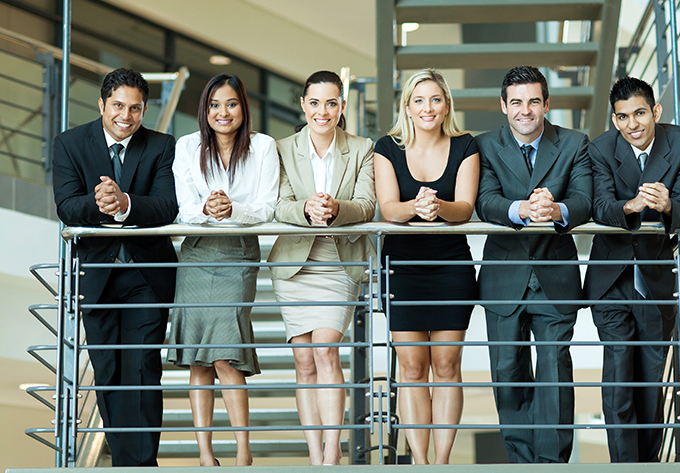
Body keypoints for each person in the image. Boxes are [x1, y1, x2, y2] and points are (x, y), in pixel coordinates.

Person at [52, 68, 177, 466]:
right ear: (102, 104)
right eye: (118, 106)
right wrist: (102, 202)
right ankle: (125, 463)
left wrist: (125, 203)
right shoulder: (70, 143)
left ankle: (142, 465)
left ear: (144, 110)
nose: (126, 116)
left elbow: (166, 206)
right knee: (107, 371)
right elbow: (67, 206)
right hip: (97, 275)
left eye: (135, 108)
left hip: (146, 275)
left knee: (141, 368)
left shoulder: (162, 146)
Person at [474, 65, 592, 463]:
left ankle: (552, 464)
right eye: (517, 102)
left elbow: (583, 199)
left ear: (546, 103)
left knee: (555, 369)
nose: (525, 110)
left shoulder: (574, 143)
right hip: (503, 277)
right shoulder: (484, 146)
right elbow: (485, 201)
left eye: (534, 101)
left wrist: (555, 209)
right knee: (507, 371)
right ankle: (522, 464)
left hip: (555, 274)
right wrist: (522, 209)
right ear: (503, 105)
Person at [585, 76, 680, 463]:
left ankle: (648, 467)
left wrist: (667, 205)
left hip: (655, 279)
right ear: (614, 120)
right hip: (611, 279)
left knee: (651, 382)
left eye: (640, 113)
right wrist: (632, 206)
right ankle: (623, 467)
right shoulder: (600, 149)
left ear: (656, 111)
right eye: (623, 117)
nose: (632, 124)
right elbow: (600, 206)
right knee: (619, 377)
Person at [167, 73, 279, 466]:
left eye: (231, 103)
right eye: (214, 105)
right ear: (205, 110)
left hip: (238, 253)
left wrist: (233, 209)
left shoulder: (263, 146)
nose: (223, 112)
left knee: (226, 356)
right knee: (199, 359)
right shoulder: (187, 146)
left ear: (243, 107)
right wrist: (207, 209)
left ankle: (243, 454)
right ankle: (205, 456)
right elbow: (184, 208)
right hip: (197, 253)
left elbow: (268, 206)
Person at [267, 70, 376, 466]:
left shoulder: (362, 149)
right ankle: (315, 456)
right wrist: (305, 209)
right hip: (295, 264)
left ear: (342, 106)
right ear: (303, 105)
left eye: (331, 103)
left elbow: (366, 206)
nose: (322, 111)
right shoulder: (282, 148)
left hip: (339, 262)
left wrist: (335, 209)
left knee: (326, 349)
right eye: (314, 103)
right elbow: (279, 205)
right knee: (304, 360)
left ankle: (332, 453)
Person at [374, 69, 479, 465]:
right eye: (419, 100)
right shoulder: (387, 147)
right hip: (402, 267)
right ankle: (419, 463)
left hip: (451, 265)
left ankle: (441, 463)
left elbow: (464, 209)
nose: (427, 107)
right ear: (407, 107)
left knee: (447, 365)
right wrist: (415, 208)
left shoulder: (466, 145)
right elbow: (389, 209)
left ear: (446, 105)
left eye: (435, 99)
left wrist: (439, 208)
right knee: (413, 366)